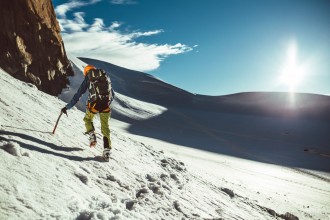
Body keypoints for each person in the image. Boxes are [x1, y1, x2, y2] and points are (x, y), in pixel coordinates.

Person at [61, 64, 114, 161]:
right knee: (105, 128)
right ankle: (106, 151)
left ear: (86, 72)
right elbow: (112, 94)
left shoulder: (88, 77)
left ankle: (92, 137)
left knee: (87, 119)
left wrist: (67, 107)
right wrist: (106, 103)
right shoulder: (104, 76)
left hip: (93, 105)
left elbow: (78, 95)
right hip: (105, 105)